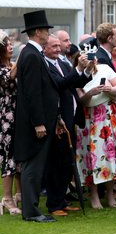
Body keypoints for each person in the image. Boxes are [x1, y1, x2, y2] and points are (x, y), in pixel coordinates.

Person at [14, 10, 60, 222]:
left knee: (36, 166)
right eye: (46, 30)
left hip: (41, 120)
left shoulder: (32, 54)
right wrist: (39, 123)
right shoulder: (31, 55)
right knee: (33, 166)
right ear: (38, 31)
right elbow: (33, 93)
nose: (48, 34)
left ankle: (32, 209)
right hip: (36, 123)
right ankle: (31, 211)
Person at [76, 51, 116, 209]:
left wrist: (108, 90)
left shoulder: (104, 68)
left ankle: (110, 194)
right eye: (85, 59)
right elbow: (81, 100)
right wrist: (91, 92)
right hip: (92, 120)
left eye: (91, 57)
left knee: (112, 155)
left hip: (111, 116)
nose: (90, 61)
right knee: (94, 156)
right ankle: (94, 194)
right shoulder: (78, 75)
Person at [43, 35, 92, 216]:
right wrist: (78, 67)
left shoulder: (63, 63)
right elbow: (60, 84)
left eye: (59, 45)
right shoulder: (45, 65)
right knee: (56, 164)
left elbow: (75, 82)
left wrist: (86, 71)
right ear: (45, 48)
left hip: (70, 119)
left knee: (66, 163)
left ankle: (62, 200)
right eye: (54, 46)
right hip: (58, 122)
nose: (58, 49)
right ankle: (54, 204)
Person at [0, 30, 20, 216]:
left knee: (18, 153)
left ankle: (19, 193)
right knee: (8, 156)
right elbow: (8, 79)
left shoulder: (13, 64)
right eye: (7, 44)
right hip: (6, 115)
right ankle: (6, 198)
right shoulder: (3, 69)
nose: (11, 46)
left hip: (17, 112)